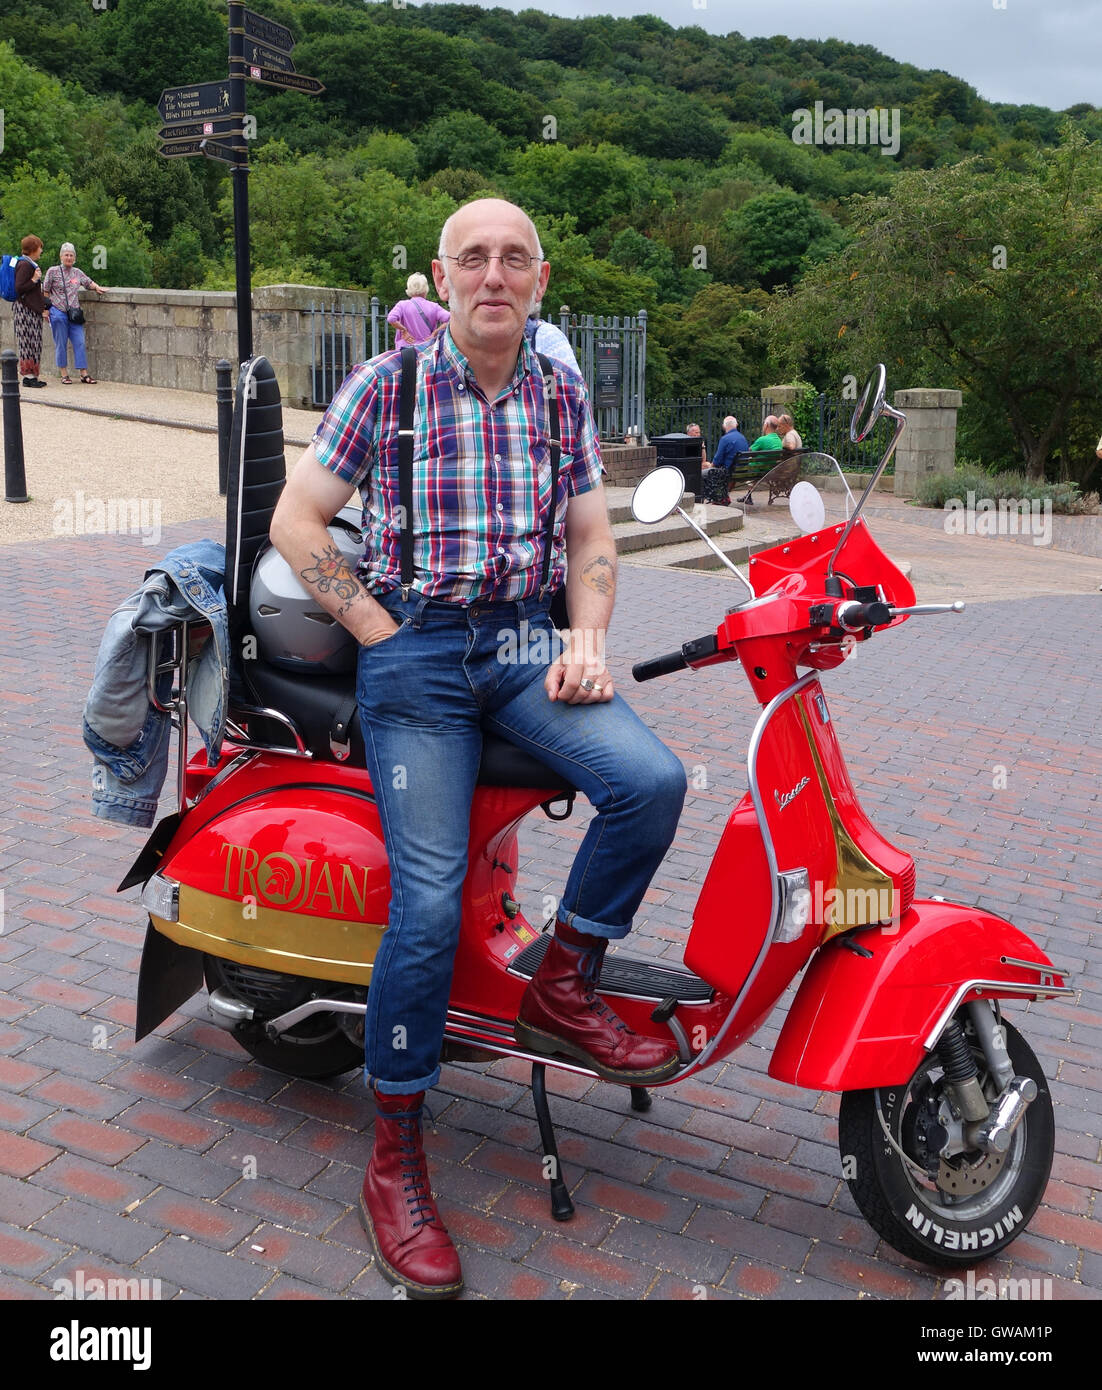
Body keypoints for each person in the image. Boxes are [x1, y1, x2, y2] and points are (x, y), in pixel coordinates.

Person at [270, 197, 686, 1300]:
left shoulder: (557, 390)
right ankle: (395, 1153)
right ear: (440, 279)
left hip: (522, 644)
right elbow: (296, 520)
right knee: (431, 897)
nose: (492, 275)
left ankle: (564, 982)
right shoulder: (389, 384)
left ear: (539, 280)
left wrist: (587, 638)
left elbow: (591, 532)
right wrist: (375, 630)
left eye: (512, 259)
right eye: (472, 259)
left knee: (650, 781)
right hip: (414, 652)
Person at [42, 242, 104, 384]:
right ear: (61, 256)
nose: (69, 257)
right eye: (66, 255)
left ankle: (83, 373)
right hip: (57, 311)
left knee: (80, 342)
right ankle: (64, 374)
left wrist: (97, 287)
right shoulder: (52, 271)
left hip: (74, 313)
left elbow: (88, 282)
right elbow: (45, 291)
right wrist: (45, 310)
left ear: (74, 257)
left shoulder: (77, 272)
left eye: (71, 255)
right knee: (61, 343)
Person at [11, 236, 51, 388]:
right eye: (40, 247)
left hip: (30, 309)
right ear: (33, 248)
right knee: (28, 342)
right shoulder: (25, 265)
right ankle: (28, 376)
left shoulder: (28, 264)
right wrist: (34, 279)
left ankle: (32, 375)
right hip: (25, 310)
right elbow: (19, 287)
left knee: (34, 342)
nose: (41, 250)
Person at [386, 271, 449, 347]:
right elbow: (451, 319)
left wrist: (404, 330)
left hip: (405, 350)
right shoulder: (434, 306)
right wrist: (435, 333)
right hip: (426, 348)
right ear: (426, 288)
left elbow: (391, 319)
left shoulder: (402, 305)